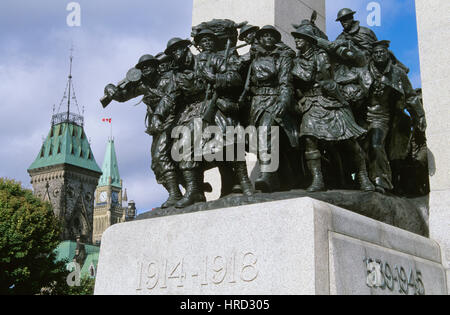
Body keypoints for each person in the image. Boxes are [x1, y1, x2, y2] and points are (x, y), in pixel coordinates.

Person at [291, 23, 375, 192]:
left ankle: (363, 176)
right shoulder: (296, 61)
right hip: (311, 102)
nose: (297, 40)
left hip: (332, 100)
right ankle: (317, 179)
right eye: (296, 38)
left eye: (300, 38)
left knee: (350, 142)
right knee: (309, 139)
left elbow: (355, 61)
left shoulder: (324, 55)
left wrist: (340, 98)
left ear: (309, 40)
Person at [104, 54, 183, 208]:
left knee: (161, 157)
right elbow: (123, 96)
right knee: (156, 165)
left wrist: (158, 115)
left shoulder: (169, 79)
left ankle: (176, 193)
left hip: (174, 122)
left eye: (149, 66)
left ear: (156, 67)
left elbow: (170, 98)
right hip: (158, 128)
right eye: (143, 67)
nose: (146, 69)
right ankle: (177, 192)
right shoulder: (143, 85)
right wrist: (110, 89)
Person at [365, 40, 426, 193]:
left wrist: (420, 115)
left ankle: (381, 181)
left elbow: (411, 97)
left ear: (388, 54)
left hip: (382, 116)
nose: (379, 55)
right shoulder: (364, 71)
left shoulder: (397, 73)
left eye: (382, 52)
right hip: (362, 115)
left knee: (376, 144)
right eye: (376, 53)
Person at [247, 25, 299, 192]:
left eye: (271, 36)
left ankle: (267, 173)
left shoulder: (282, 57)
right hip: (257, 102)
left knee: (266, 132)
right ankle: (279, 177)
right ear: (260, 39)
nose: (268, 38)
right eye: (265, 36)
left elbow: (285, 82)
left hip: (274, 99)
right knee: (260, 139)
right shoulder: (253, 57)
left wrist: (284, 102)